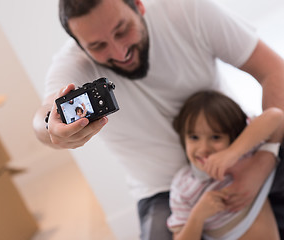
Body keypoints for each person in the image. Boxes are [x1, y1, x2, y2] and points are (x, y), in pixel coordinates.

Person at [32, 0, 284, 239]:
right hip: (162, 192)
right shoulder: (72, 66)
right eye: (98, 46)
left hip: (240, 154)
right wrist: (51, 128)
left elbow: (274, 71)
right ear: (79, 45)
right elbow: (43, 118)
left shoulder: (186, 10)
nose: (119, 53)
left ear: (139, 5)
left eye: (122, 30)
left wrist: (265, 157)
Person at [167, 90, 283, 240]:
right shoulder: (183, 185)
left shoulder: (243, 154)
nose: (203, 149)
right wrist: (198, 215)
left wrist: (233, 153)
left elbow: (276, 115)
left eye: (216, 137)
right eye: (194, 137)